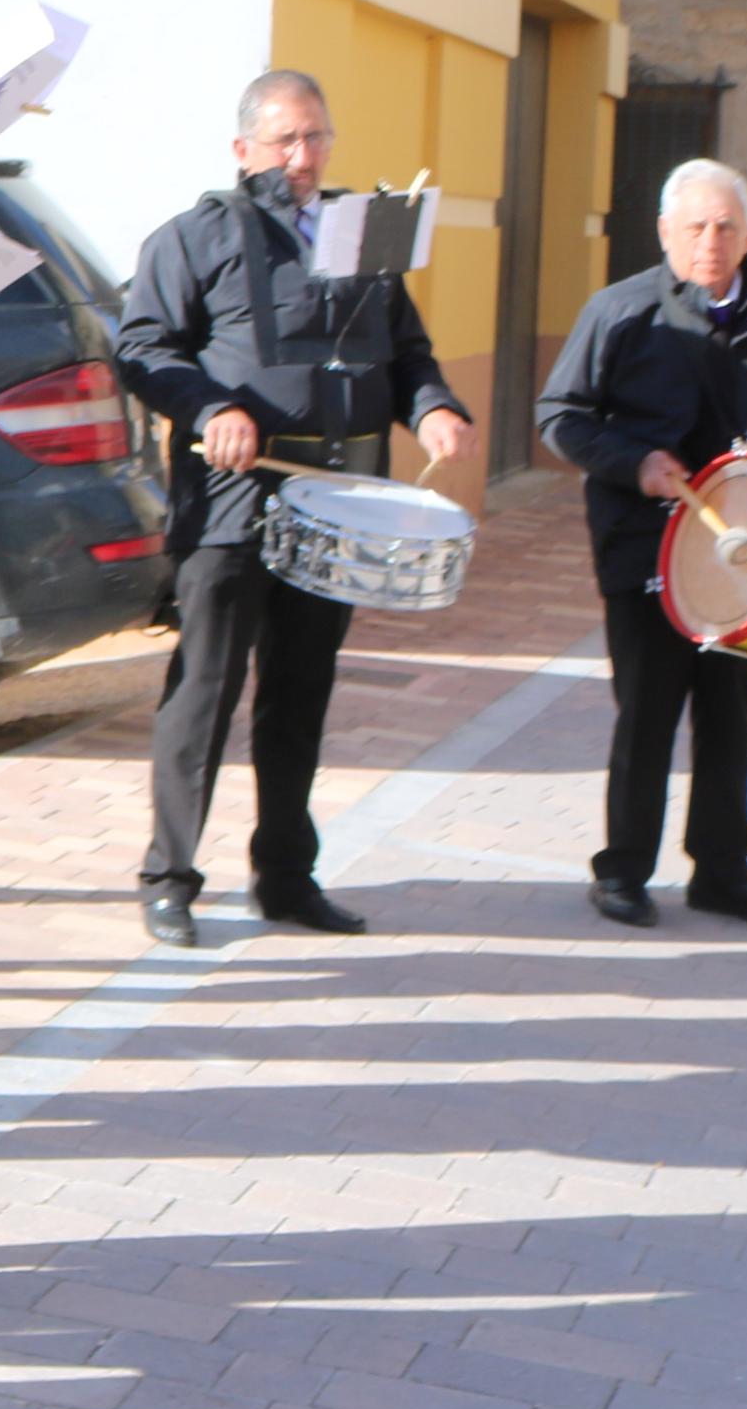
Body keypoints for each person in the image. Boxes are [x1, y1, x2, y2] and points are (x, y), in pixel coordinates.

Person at [115, 70, 477, 947]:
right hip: (235, 498)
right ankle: (168, 877)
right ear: (243, 150)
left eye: (315, 137)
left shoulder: (369, 233)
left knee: (300, 692)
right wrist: (209, 409)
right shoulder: (195, 236)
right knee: (203, 689)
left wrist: (430, 405)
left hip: (339, 500)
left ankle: (285, 874)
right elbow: (140, 346)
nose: (303, 156)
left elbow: (407, 350)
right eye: (284, 140)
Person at [535, 158, 747, 931]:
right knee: (646, 710)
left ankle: (722, 870)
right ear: (664, 232)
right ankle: (622, 869)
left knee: (729, 714)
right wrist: (634, 463)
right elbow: (559, 414)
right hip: (647, 545)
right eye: (693, 226)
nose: (710, 240)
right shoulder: (619, 312)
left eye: (725, 226)